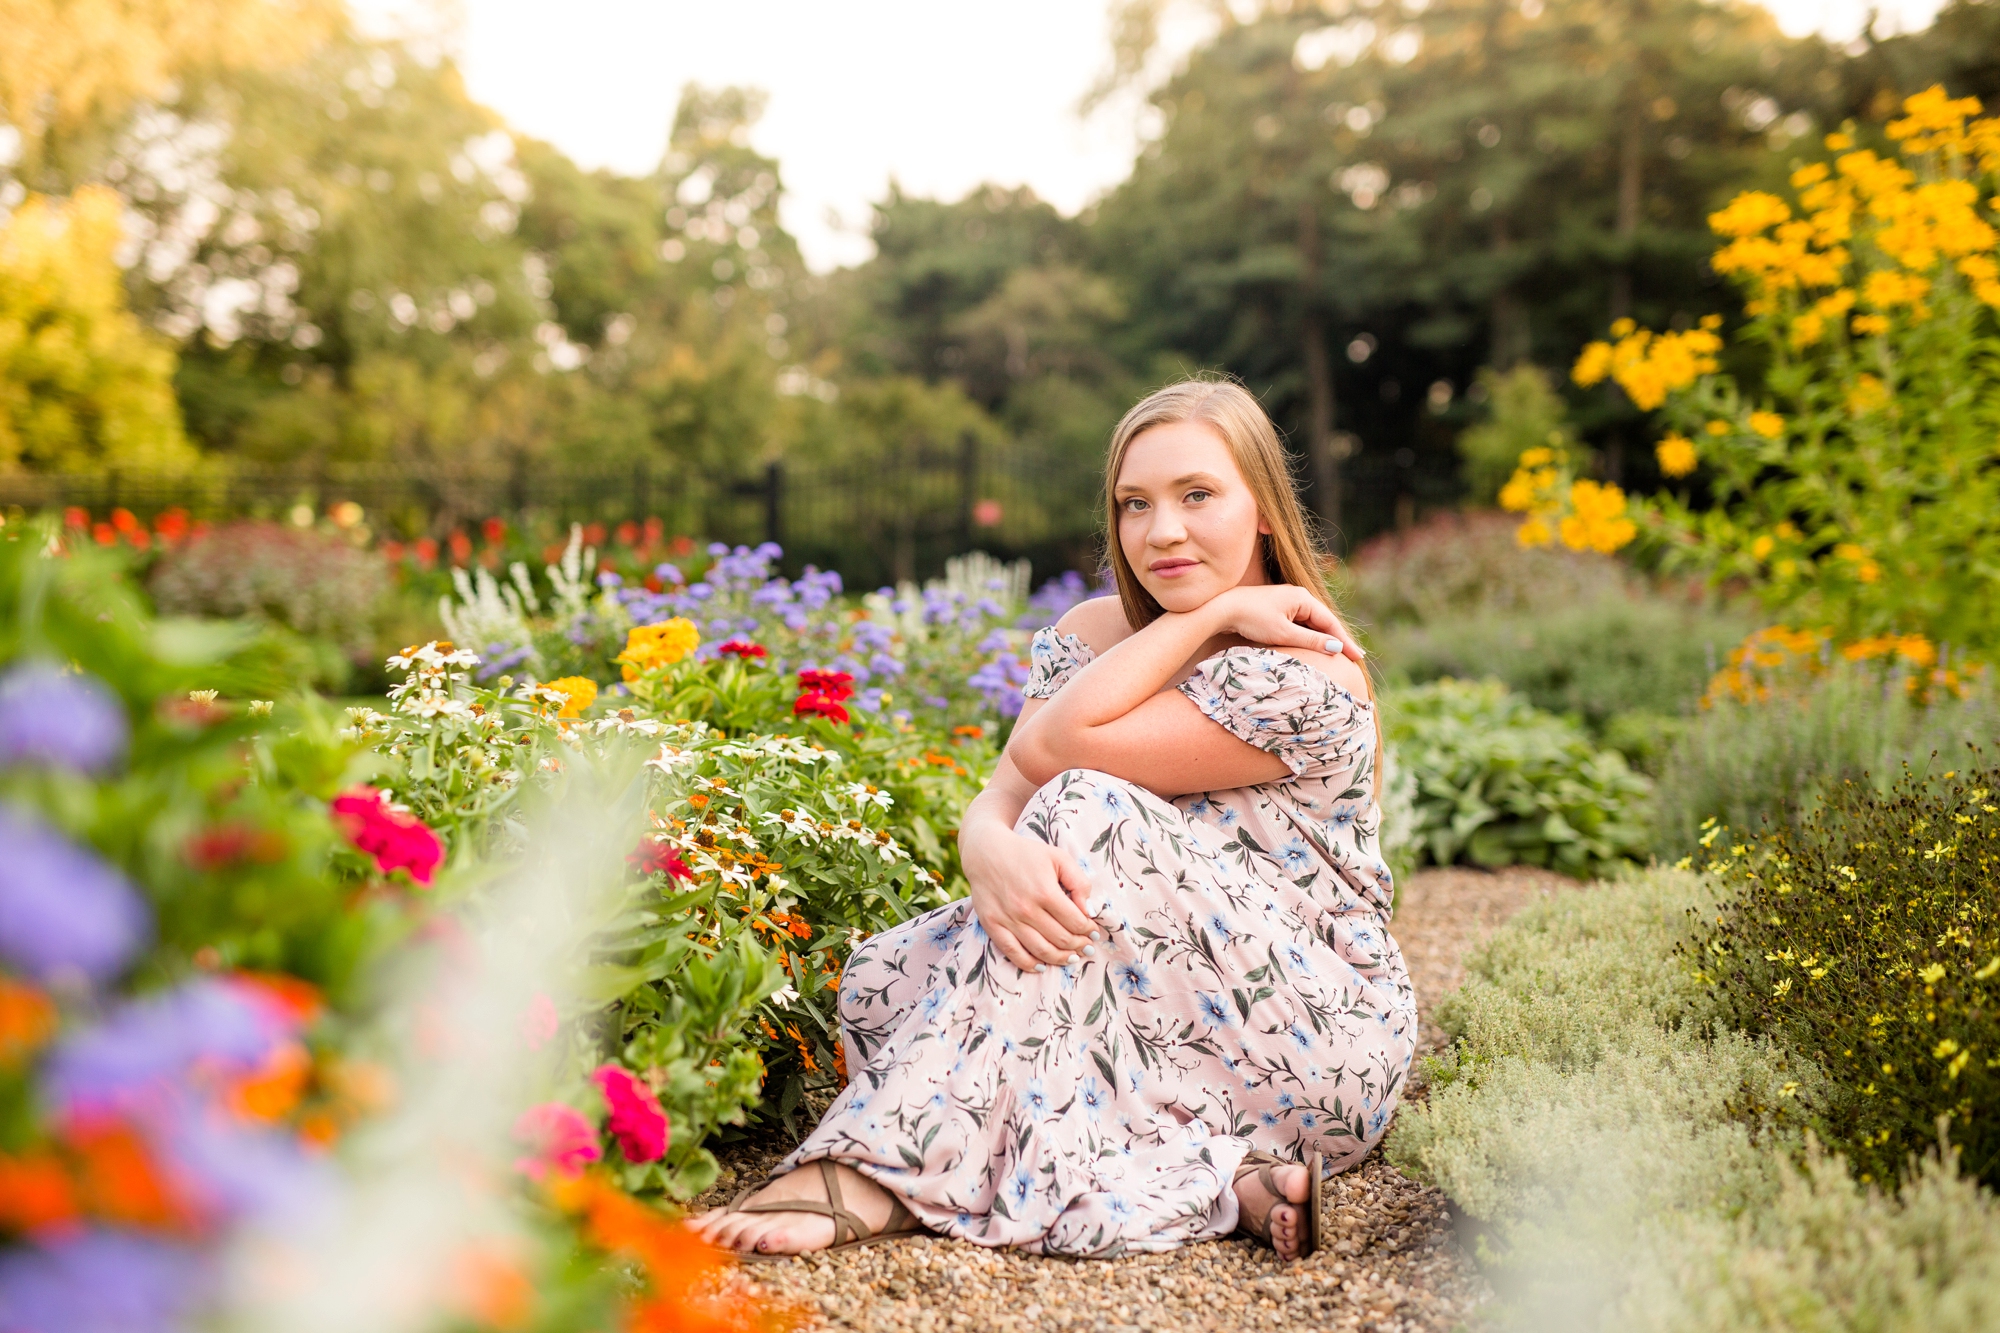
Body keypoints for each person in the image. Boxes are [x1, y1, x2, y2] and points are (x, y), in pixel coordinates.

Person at [693, 379, 1416, 1263]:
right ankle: (1223, 1173)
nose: (1163, 531)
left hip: (1313, 1037)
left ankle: (885, 1169)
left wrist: (1219, 614)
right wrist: (986, 849)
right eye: (1135, 504)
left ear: (1263, 507)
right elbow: (1003, 791)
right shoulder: (1090, 631)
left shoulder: (1308, 669)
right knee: (886, 975)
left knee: (1085, 804)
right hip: (1156, 1009)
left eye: (1198, 495)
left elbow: (1056, 748)